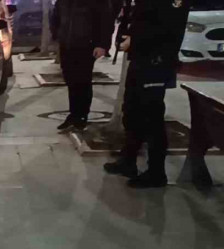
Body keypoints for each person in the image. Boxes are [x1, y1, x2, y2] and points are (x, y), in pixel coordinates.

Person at [103, 0, 191, 188]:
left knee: (152, 118)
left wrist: (134, 39)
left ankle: (157, 173)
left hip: (156, 62)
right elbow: (140, 16)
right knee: (132, 111)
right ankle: (128, 160)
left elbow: (169, 27)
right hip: (140, 58)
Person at [51, 0, 114, 132]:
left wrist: (102, 45)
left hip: (85, 45)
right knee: (70, 80)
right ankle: (73, 114)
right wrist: (57, 35)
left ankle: (81, 116)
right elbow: (56, 16)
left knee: (82, 80)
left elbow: (105, 22)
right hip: (67, 45)